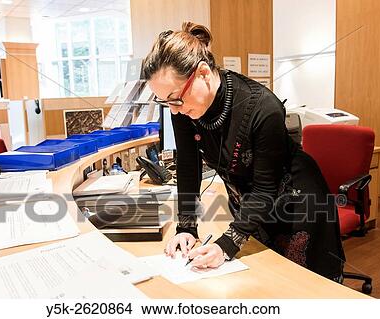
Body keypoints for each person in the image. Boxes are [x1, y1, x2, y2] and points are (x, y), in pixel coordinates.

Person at [142, 22, 345, 281]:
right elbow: (188, 166)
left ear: (203, 73)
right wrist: (186, 228)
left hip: (298, 203)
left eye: (175, 99)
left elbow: (264, 188)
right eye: (165, 102)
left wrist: (226, 245)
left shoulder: (262, 107)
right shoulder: (183, 108)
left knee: (303, 287)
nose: (173, 110)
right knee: (263, 283)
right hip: (253, 206)